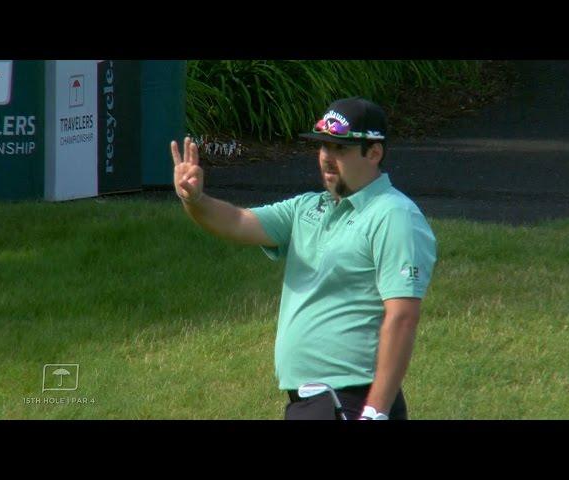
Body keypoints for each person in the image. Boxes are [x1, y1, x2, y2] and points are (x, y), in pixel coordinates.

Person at [171, 96, 437, 420]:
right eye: (323, 147)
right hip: (313, 403)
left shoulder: (394, 215)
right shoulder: (308, 208)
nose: (326, 158)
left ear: (374, 152)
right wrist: (195, 199)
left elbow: (403, 317)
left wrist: (376, 411)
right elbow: (237, 222)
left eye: (340, 148)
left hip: (354, 401)